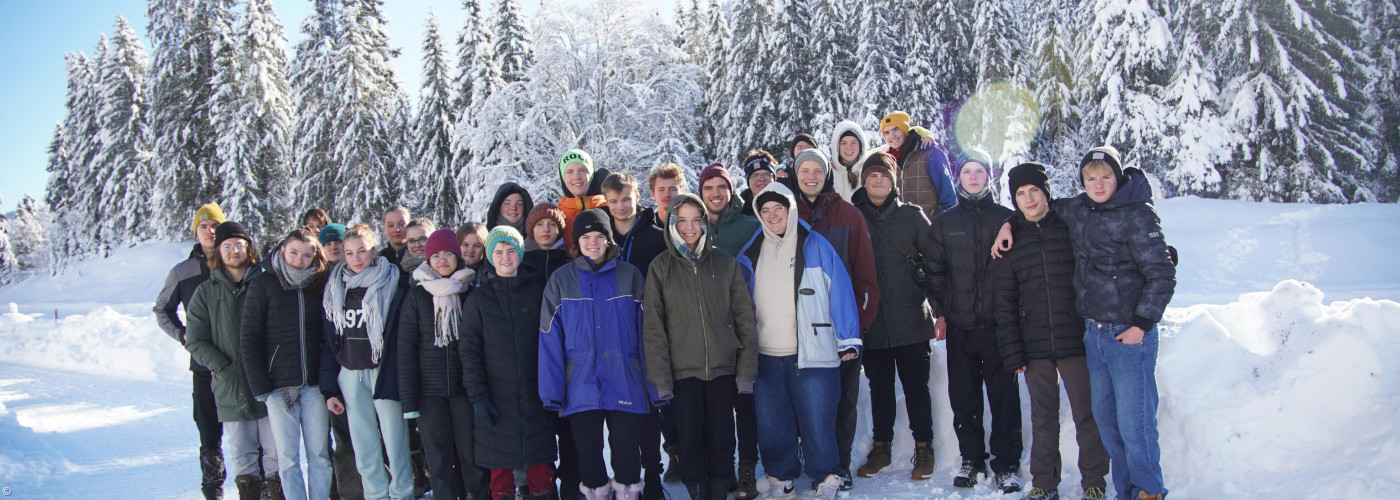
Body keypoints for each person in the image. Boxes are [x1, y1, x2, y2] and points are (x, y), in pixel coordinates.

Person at [993, 147, 1176, 500]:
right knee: (1108, 424)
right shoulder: (1078, 209)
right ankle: (1127, 491)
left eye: (1105, 176)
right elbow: (1034, 211)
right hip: (1093, 333)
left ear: (1118, 177)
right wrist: (1007, 222)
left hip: (1126, 332)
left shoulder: (1137, 213)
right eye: (1090, 178)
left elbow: (1160, 272)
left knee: (1133, 424)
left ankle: (1148, 491)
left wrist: (1141, 323)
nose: (1098, 184)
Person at [735, 183, 861, 500]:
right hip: (765, 355)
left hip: (813, 352)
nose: (772, 215)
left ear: (790, 209)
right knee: (773, 423)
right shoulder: (750, 252)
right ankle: (781, 476)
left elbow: (841, 290)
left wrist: (848, 338)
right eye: (765, 210)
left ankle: (827, 475)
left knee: (817, 420)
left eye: (778, 208)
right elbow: (737, 302)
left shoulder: (815, 246)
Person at [991, 162, 1109, 500]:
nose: (1029, 199)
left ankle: (1094, 482)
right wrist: (1014, 351)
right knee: (1043, 419)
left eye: (1034, 191)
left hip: (1077, 341)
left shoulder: (1069, 227)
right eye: (1021, 194)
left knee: (1088, 416)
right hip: (1035, 347)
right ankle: (1044, 481)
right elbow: (1005, 304)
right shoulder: (1010, 243)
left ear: (1046, 193)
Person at [642, 193, 758, 500]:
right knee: (690, 441)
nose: (690, 228)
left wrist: (745, 371)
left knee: (722, 439)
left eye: (696, 220)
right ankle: (698, 493)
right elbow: (653, 328)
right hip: (683, 373)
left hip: (722, 368)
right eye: (682, 221)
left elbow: (745, 319)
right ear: (671, 225)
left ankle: (719, 492)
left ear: (705, 222)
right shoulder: (660, 268)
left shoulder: (724, 262)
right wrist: (662, 381)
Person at [922, 151, 1023, 493]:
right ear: (959, 177)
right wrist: (943, 310)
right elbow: (933, 273)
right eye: (967, 171)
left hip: (1000, 328)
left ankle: (1007, 464)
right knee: (964, 398)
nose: (974, 177)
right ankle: (971, 459)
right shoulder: (945, 223)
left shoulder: (1008, 218)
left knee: (1004, 399)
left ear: (988, 176)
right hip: (961, 328)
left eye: (980, 170)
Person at [539, 209, 655, 500]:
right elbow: (549, 338)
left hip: (626, 379)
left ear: (609, 240)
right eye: (586, 237)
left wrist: (655, 385)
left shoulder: (630, 276)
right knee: (589, 461)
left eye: (600, 236)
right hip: (580, 385)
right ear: (577, 242)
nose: (593, 242)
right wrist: (552, 391)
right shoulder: (561, 280)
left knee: (628, 459)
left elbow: (648, 335)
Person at [789, 147, 881, 490]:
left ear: (826, 174)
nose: (811, 177)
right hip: (799, 331)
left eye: (817, 170)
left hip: (843, 331)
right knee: (806, 400)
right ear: (796, 175)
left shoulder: (849, 215)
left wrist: (857, 328)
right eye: (804, 171)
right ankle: (812, 460)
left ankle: (839, 464)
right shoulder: (785, 211)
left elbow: (865, 275)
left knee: (842, 401)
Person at [849, 153, 938, 481]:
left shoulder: (912, 217)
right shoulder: (853, 216)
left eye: (884, 177)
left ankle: (924, 447)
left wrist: (938, 310)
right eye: (872, 176)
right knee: (880, 388)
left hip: (911, 318)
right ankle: (881, 447)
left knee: (917, 387)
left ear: (894, 181)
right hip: (873, 321)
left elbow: (935, 262)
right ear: (864, 180)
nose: (878, 182)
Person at [184, 221, 282, 500]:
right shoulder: (206, 291)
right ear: (218, 251)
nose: (233, 250)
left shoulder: (265, 284)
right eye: (227, 245)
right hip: (230, 386)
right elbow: (195, 339)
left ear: (248, 249)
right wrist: (221, 365)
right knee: (243, 456)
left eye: (239, 244)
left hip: (269, 383)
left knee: (275, 455)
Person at [460, 227, 559, 500]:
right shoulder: (478, 300)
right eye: (499, 252)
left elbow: (552, 344)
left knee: (541, 470)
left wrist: (552, 389)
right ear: (490, 256)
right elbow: (469, 353)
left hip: (535, 395)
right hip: (495, 399)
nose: (505, 257)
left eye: (511, 250)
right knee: (500, 473)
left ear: (521, 253)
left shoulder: (537, 293)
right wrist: (478, 396)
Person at [320, 225, 414, 500]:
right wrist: (329, 389)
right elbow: (329, 340)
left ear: (374, 250)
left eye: (362, 251)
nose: (356, 258)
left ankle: (402, 493)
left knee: (395, 440)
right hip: (350, 374)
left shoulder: (393, 281)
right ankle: (375, 494)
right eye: (349, 253)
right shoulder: (335, 286)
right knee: (363, 443)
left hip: (383, 371)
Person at [241, 228, 334, 500]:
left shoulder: (320, 283)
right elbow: (249, 337)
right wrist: (262, 387)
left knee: (320, 454)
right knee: (288, 458)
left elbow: (329, 333)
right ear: (283, 250)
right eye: (293, 252)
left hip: (314, 385)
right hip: (279, 387)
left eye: (306, 255)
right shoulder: (264, 283)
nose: (299, 260)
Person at [398, 228, 490, 500]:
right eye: (435, 255)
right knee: (438, 461)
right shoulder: (417, 296)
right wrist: (409, 401)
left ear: (458, 257)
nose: (442, 260)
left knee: (472, 458)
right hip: (430, 394)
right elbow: (405, 349)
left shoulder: (471, 291)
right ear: (427, 260)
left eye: (449, 254)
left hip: (465, 391)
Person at [695, 161, 762, 499]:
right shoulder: (692, 227)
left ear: (731, 190)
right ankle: (722, 470)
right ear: (700, 192)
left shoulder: (751, 226)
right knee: (716, 405)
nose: (715, 193)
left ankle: (747, 469)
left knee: (744, 400)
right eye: (708, 188)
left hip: (744, 324)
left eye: (721, 187)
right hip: (707, 330)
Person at [600, 171, 669, 499]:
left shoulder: (656, 236)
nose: (621, 207)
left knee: (650, 408)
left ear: (637, 196)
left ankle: (653, 474)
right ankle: (625, 478)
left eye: (626, 199)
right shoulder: (600, 238)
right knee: (620, 412)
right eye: (613, 201)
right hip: (612, 336)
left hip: (649, 331)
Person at [154, 203, 228, 500]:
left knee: (252, 434)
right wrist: (183, 335)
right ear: (195, 232)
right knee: (210, 435)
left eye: (214, 226)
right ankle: (214, 490)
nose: (209, 231)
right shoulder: (182, 272)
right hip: (203, 367)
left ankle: (257, 488)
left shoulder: (236, 262)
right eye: (203, 226)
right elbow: (162, 309)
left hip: (240, 364)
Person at [313, 222, 361, 497]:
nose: (333, 247)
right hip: (335, 371)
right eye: (327, 243)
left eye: (337, 242)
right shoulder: (318, 282)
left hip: (364, 371)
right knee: (342, 440)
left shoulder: (366, 276)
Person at [869, 111, 957, 220]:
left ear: (905, 130)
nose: (892, 136)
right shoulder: (886, 161)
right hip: (899, 231)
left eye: (896, 129)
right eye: (886, 132)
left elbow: (948, 197)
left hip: (930, 229)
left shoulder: (929, 153)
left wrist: (943, 228)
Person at [556, 149, 610, 244]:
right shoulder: (556, 217)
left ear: (592, 175)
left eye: (582, 170)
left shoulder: (611, 208)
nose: (576, 176)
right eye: (569, 171)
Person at [522, 203, 570, 285]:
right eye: (540, 224)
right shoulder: (520, 264)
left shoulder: (569, 266)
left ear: (559, 230)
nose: (546, 229)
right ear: (531, 229)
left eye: (552, 224)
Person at [828, 121, 870, 202]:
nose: (849, 147)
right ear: (837, 146)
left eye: (854, 142)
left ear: (861, 145)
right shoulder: (829, 173)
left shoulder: (868, 171)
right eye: (844, 143)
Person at [738, 151, 777, 218]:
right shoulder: (739, 212)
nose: (761, 179)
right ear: (748, 182)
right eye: (755, 175)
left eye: (767, 174)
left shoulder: (788, 205)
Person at [401, 218, 437, 285]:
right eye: (411, 241)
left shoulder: (444, 267)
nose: (417, 245)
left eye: (423, 239)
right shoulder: (398, 273)